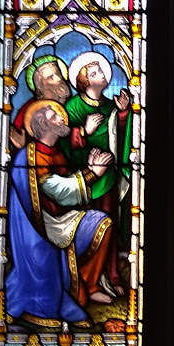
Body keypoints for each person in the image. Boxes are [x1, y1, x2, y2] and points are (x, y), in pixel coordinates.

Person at [6, 100, 117, 327]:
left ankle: (86, 285)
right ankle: (61, 297)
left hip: (59, 221)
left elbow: (62, 190)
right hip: (39, 229)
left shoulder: (57, 152)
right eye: (55, 116)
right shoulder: (30, 157)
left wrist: (88, 168)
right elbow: (57, 190)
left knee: (102, 223)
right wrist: (91, 173)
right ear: (43, 124)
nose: (62, 118)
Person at [64, 52, 132, 294]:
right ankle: (86, 279)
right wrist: (83, 131)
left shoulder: (108, 105)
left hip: (109, 177)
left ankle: (111, 275)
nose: (101, 74)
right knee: (88, 229)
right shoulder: (73, 106)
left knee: (110, 226)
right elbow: (62, 140)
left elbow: (120, 136)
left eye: (101, 71)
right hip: (84, 180)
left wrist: (123, 113)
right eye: (94, 73)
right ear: (83, 80)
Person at [10, 55, 71, 149]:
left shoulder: (72, 104)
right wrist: (20, 146)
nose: (58, 79)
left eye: (58, 74)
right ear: (41, 86)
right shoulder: (28, 109)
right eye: (51, 77)